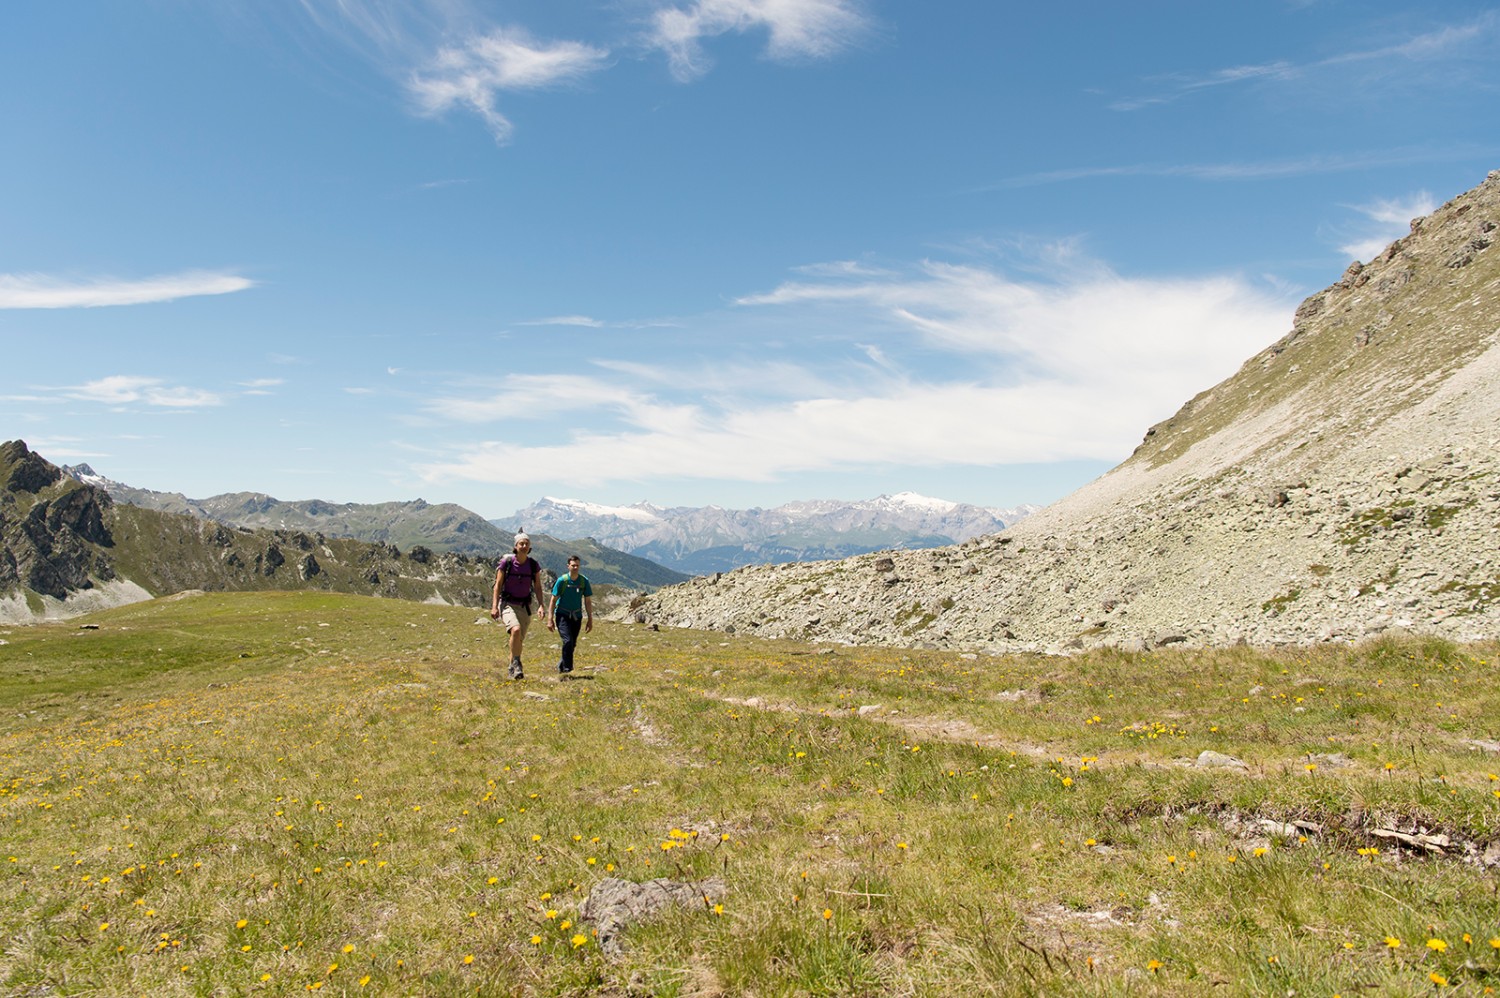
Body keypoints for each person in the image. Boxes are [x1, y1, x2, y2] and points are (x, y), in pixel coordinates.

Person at [491, 533, 548, 680]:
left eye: (526, 544)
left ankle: (512, 670)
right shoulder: (507, 563)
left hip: (524, 606)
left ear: (530, 547)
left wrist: (541, 605)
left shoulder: (533, 565)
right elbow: (497, 585)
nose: (524, 546)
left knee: (517, 641)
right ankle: (517, 664)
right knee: (515, 630)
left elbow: (538, 587)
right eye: (521, 544)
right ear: (515, 546)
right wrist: (494, 606)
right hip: (508, 604)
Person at [546, 554, 593, 676]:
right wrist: (550, 619)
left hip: (577, 616)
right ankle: (568, 669)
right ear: (568, 566)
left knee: (572, 643)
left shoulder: (584, 581)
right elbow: (553, 599)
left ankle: (562, 665)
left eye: (577, 565)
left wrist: (590, 620)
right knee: (567, 641)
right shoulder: (562, 581)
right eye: (573, 565)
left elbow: (587, 601)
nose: (575, 568)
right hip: (562, 615)